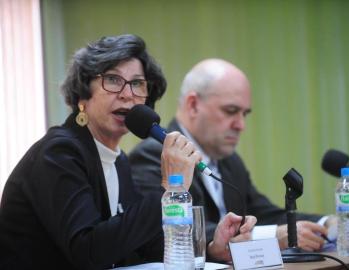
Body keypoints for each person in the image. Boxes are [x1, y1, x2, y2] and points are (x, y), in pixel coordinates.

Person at [0, 36, 256, 269]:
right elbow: (88, 252)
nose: (127, 94)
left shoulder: (118, 159)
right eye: (112, 80)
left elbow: (142, 246)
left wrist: (212, 247)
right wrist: (169, 187)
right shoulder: (59, 153)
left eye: (137, 83)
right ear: (83, 93)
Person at [130, 58, 333, 252]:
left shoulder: (229, 160)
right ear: (193, 105)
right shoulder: (154, 155)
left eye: (244, 114)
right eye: (230, 111)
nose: (240, 125)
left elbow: (263, 213)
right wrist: (269, 236)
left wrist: (328, 224)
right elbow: (165, 231)